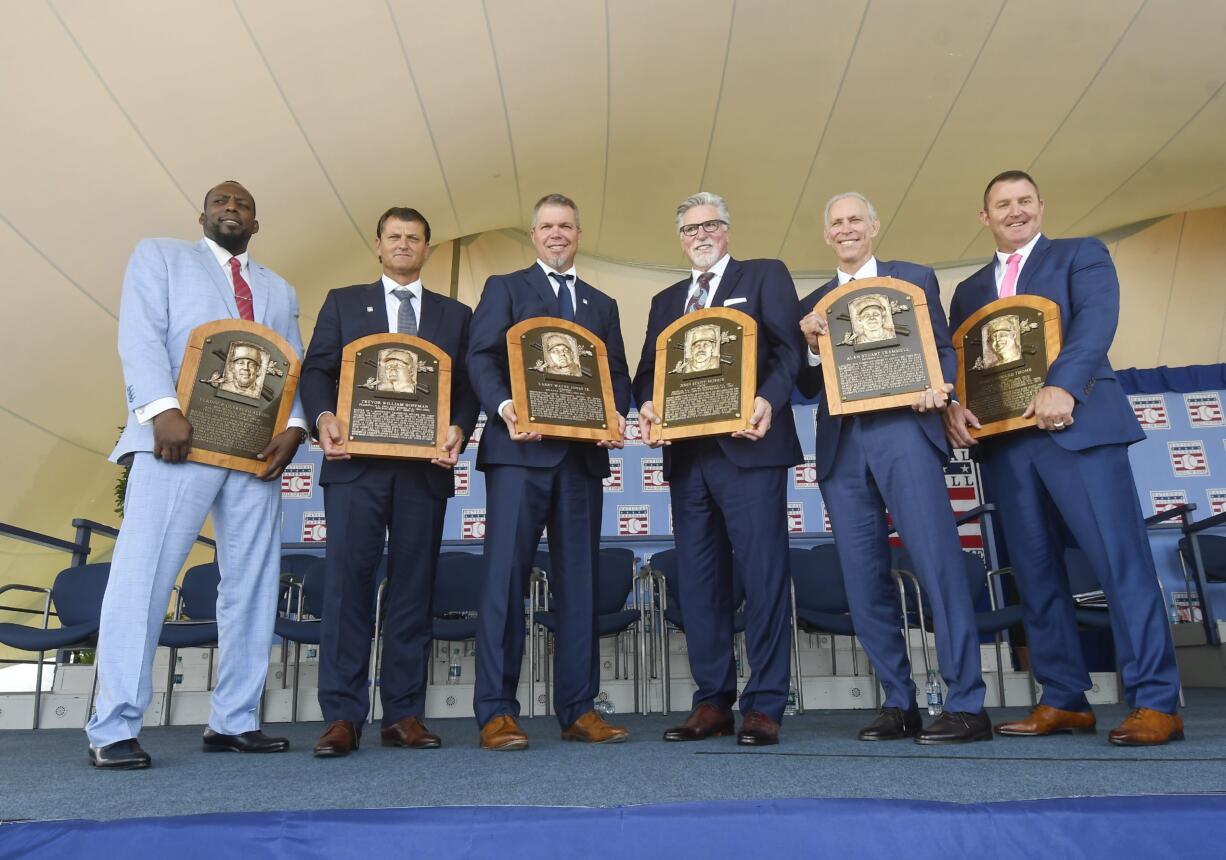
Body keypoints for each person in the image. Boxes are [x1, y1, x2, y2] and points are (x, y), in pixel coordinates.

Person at [945, 170, 1183, 745]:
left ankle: (1156, 701)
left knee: (1119, 564)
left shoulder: (1081, 254)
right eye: (1002, 204)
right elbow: (965, 365)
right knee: (1036, 575)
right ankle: (1064, 699)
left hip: (1078, 430)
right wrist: (953, 407)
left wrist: (1065, 385)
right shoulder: (970, 289)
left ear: (1041, 206)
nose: (1015, 210)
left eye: (1024, 200)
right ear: (985, 217)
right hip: (1007, 445)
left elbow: (1096, 325)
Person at [86, 181, 307, 768]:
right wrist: (162, 409)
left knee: (253, 586)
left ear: (256, 224)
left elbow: (291, 363)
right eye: (221, 202)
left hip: (253, 453)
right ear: (203, 214)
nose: (231, 208)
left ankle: (234, 720)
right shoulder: (160, 256)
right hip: (175, 443)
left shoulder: (279, 289)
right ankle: (113, 727)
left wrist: (299, 427)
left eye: (243, 205)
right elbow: (138, 334)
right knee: (143, 579)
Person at [796, 191, 990, 744]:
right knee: (862, 580)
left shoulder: (914, 277)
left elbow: (944, 350)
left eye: (855, 219)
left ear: (875, 227)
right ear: (826, 234)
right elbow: (806, 384)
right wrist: (810, 345)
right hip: (842, 444)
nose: (846, 228)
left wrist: (943, 388)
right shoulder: (813, 300)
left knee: (938, 566)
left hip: (906, 430)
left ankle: (967, 704)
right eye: (836, 222)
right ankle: (898, 702)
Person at [300, 206, 479, 757]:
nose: (404, 245)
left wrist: (458, 426)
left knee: (412, 591)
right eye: (394, 237)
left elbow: (470, 384)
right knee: (347, 589)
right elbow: (316, 370)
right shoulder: (343, 301)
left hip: (422, 473)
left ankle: (403, 713)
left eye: (415, 238)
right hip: (354, 468)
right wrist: (324, 416)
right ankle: (342, 716)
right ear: (377, 245)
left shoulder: (456, 314)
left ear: (427, 248)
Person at [635, 192, 804, 746]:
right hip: (688, 459)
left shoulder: (763, 276)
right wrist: (644, 405)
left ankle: (764, 703)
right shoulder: (665, 301)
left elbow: (787, 353)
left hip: (750, 447)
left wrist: (770, 401)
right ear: (679, 238)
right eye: (689, 229)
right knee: (701, 583)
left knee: (762, 576)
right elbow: (646, 375)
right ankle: (711, 701)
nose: (700, 235)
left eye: (709, 225)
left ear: (727, 230)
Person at [467, 193, 632, 750]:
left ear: (578, 235)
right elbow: (481, 357)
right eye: (546, 226)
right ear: (533, 236)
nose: (556, 234)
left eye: (566, 226)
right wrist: (506, 408)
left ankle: (579, 708)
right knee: (504, 582)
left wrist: (614, 414)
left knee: (579, 585)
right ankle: (495, 711)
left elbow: (617, 376)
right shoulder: (505, 288)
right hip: (518, 453)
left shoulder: (602, 303)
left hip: (580, 460)